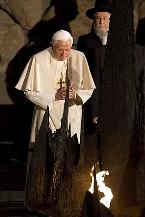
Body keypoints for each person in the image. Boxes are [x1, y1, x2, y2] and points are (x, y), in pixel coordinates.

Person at [15, 30, 95, 171]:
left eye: (68, 50)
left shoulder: (79, 57)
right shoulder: (38, 59)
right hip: (46, 114)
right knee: (46, 157)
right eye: (60, 50)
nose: (64, 54)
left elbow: (89, 88)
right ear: (52, 45)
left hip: (71, 114)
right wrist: (54, 97)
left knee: (69, 155)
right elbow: (28, 92)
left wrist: (75, 94)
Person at [77, 0, 112, 133]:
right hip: (92, 94)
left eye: (105, 18)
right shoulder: (85, 41)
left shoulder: (119, 42)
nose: (101, 22)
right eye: (98, 18)